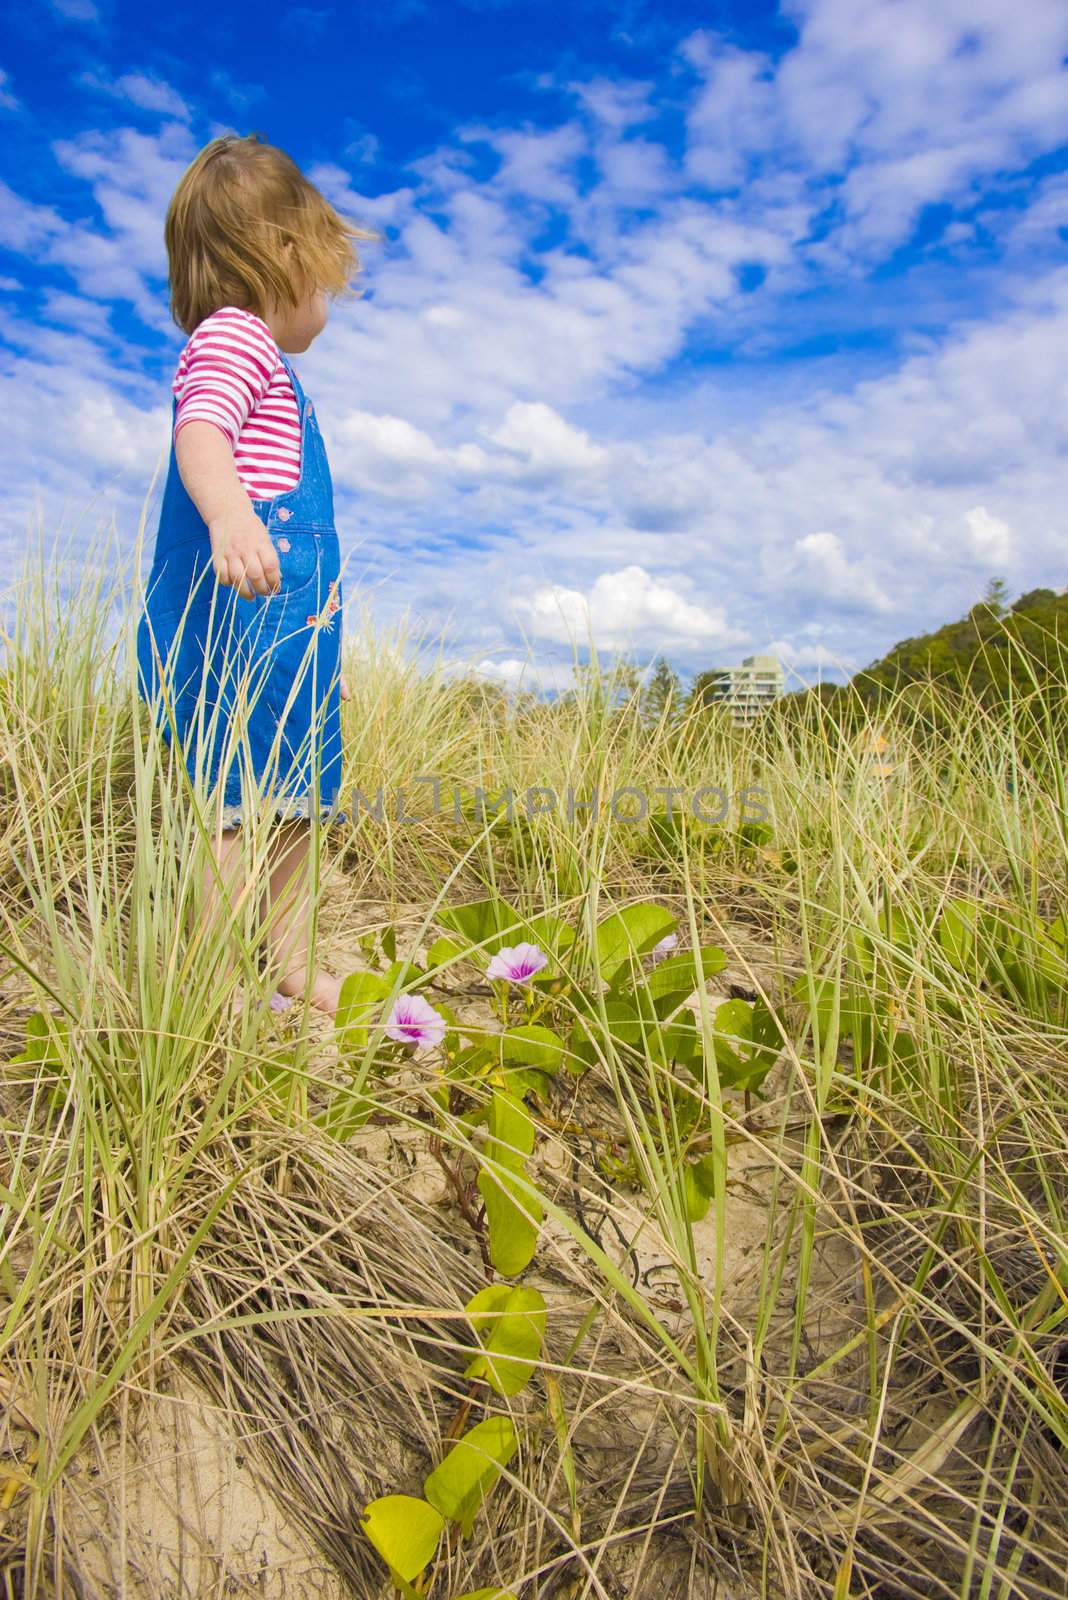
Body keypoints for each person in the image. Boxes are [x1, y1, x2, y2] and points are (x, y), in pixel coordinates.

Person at [136, 132, 379, 1016]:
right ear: (281, 254)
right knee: (236, 812)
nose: (330, 294)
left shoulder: (278, 374)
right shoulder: (234, 339)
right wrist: (231, 514)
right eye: (324, 269)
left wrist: (321, 654)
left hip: (285, 641)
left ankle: (281, 957)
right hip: (234, 639)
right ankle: (207, 979)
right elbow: (199, 429)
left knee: (296, 811)